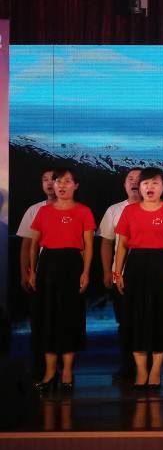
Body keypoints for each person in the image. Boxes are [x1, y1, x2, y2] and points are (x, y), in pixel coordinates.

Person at [114, 167, 163, 390]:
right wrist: (117, 272)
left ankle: (155, 370)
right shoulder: (130, 211)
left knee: (161, 317)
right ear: (139, 187)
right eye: (145, 183)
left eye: (155, 183)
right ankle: (141, 370)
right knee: (135, 318)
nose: (149, 187)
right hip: (135, 267)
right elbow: (122, 245)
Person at [27, 167, 94, 394]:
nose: (61, 185)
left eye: (67, 181)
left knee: (70, 318)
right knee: (48, 318)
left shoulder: (84, 211)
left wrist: (86, 272)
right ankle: (49, 371)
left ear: (76, 186)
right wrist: (33, 271)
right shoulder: (44, 211)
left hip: (72, 265)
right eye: (58, 181)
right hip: (48, 265)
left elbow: (88, 245)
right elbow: (34, 244)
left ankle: (66, 371)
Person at [99, 168, 141, 380]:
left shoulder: (160, 208)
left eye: (140, 179)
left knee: (148, 321)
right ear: (124, 185)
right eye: (130, 179)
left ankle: (148, 368)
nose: (135, 182)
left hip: (150, 275)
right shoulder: (114, 210)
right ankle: (127, 366)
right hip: (121, 276)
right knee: (125, 323)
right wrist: (108, 270)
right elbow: (107, 242)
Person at [17, 167, 56, 378]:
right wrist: (25, 273)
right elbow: (26, 245)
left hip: (63, 273)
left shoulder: (76, 209)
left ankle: (61, 369)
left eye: (53, 179)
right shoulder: (34, 210)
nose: (49, 183)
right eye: (45, 179)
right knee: (39, 321)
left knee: (61, 322)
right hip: (38, 275)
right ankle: (39, 367)